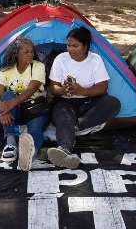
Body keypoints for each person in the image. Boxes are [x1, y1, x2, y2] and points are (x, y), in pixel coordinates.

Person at [45, 27, 121, 169]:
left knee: (113, 103)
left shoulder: (95, 60)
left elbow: (102, 87)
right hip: (65, 101)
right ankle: (65, 150)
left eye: (75, 46)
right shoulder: (61, 59)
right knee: (63, 114)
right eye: (68, 45)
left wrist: (81, 90)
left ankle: (73, 127)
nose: (71, 49)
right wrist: (63, 90)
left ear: (86, 46)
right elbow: (52, 87)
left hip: (88, 102)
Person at [0, 37, 49, 171]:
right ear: (16, 54)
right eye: (26, 52)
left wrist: (8, 106)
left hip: (35, 108)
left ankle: (30, 154)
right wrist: (2, 107)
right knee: (6, 95)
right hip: (15, 112)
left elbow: (31, 90)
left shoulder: (38, 66)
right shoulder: (5, 71)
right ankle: (11, 143)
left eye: (32, 51)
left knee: (35, 130)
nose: (31, 54)